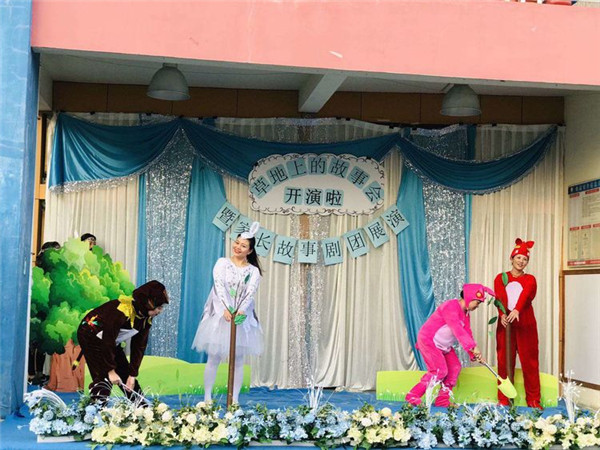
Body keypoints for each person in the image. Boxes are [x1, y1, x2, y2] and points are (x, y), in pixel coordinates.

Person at [192, 222, 263, 404]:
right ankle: (208, 398)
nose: (238, 247)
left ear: (250, 251)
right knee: (214, 357)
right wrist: (225, 308)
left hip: (240, 317)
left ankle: (235, 399)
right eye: (237, 243)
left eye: (243, 246)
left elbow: (250, 292)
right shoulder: (222, 263)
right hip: (220, 314)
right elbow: (218, 286)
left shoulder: (253, 271)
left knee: (238, 359)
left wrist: (241, 310)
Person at [76, 280, 169, 404]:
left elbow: (139, 347)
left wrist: (132, 375)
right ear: (147, 304)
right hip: (90, 336)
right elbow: (107, 340)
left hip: (109, 341)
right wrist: (110, 370)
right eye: (158, 307)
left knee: (126, 376)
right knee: (105, 378)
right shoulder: (122, 311)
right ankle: (94, 410)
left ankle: (141, 408)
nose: (160, 311)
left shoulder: (145, 319)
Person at [405, 283, 494, 407]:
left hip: (444, 346)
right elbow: (457, 329)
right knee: (439, 371)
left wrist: (473, 353)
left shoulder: (466, 314)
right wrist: (473, 347)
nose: (477, 306)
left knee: (455, 368)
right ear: (469, 297)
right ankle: (412, 396)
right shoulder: (451, 306)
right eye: (477, 302)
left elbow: (467, 332)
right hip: (429, 341)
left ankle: (442, 400)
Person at [494, 238, 541, 408]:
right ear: (512, 258)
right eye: (519, 257)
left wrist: (517, 310)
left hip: (526, 325)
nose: (521, 261)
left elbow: (526, 295)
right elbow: (499, 297)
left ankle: (533, 400)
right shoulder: (501, 278)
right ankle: (504, 399)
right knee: (504, 362)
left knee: (530, 362)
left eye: (525, 259)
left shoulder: (530, 279)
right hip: (506, 325)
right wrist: (502, 314)